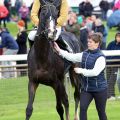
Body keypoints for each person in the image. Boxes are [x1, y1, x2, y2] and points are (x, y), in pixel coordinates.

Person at [54, 33, 108, 120]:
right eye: (88, 42)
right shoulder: (84, 54)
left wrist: (81, 71)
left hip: (100, 90)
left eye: (90, 42)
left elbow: (95, 72)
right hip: (87, 89)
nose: (88, 43)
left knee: (101, 112)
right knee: (82, 109)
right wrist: (59, 51)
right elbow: (72, 57)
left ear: (97, 44)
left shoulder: (101, 57)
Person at [106, 32, 120, 100]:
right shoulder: (111, 43)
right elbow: (107, 52)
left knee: (112, 80)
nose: (118, 38)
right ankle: (111, 95)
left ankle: (110, 96)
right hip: (108, 64)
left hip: (116, 64)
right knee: (108, 80)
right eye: (117, 36)